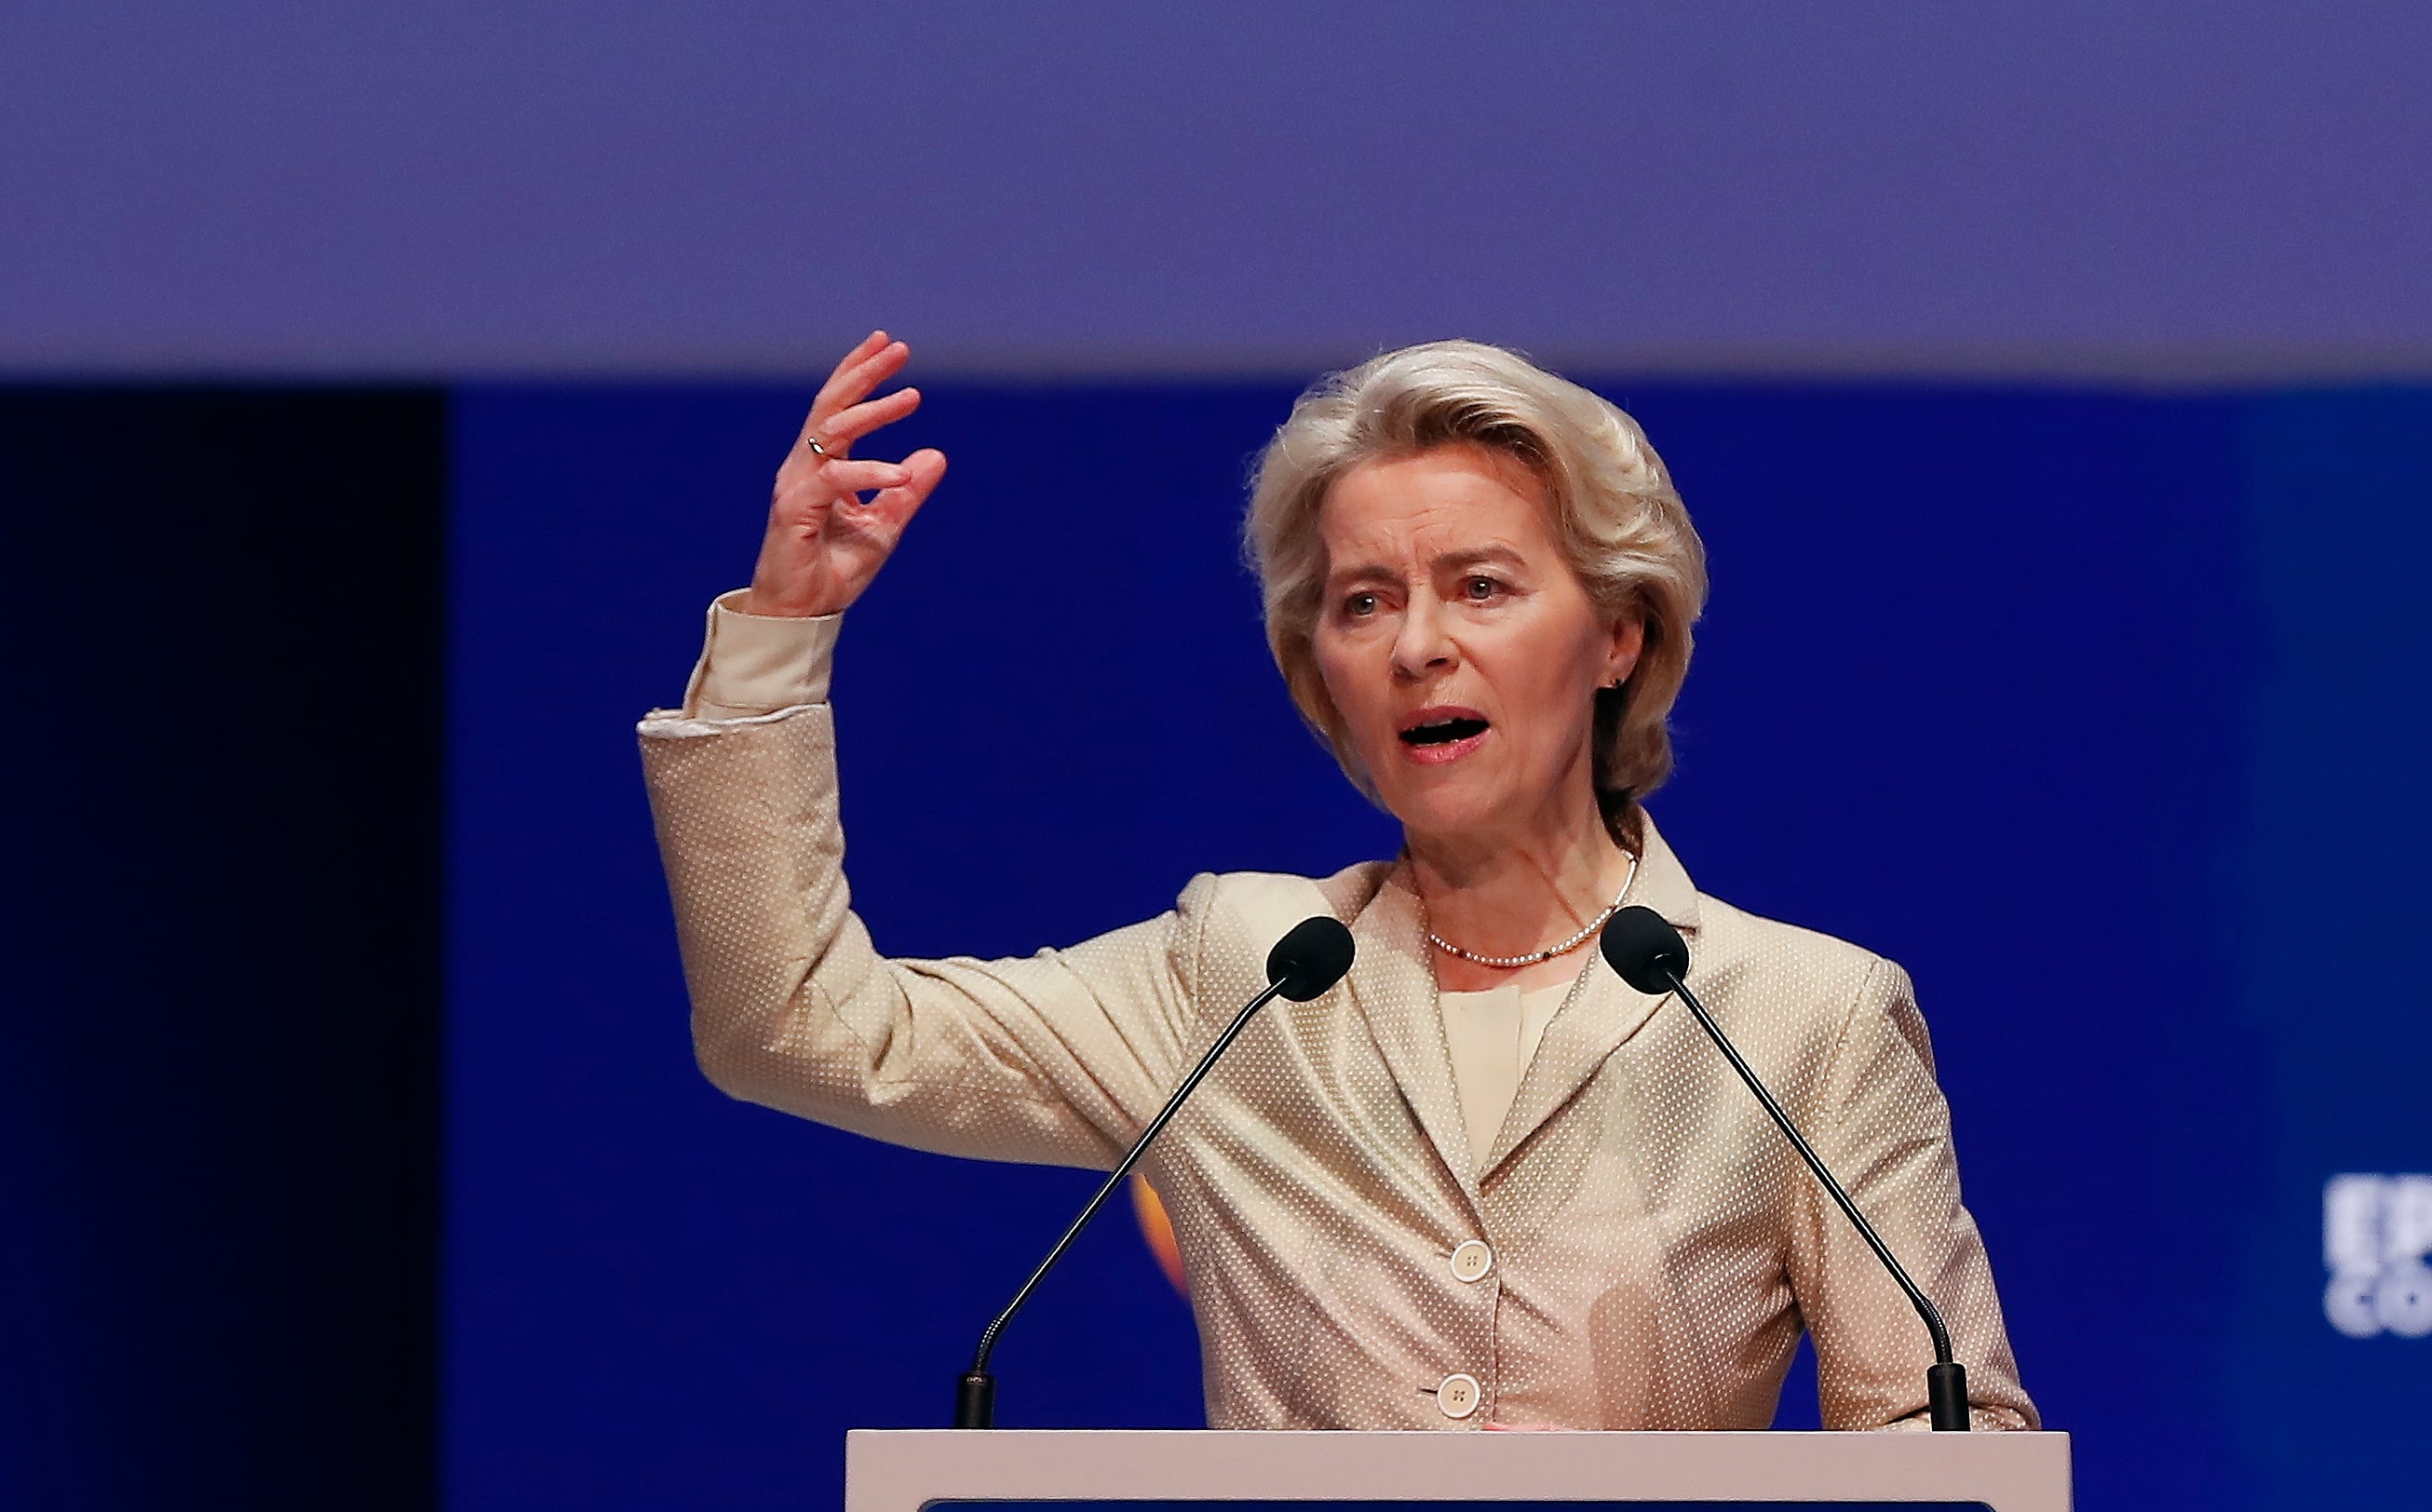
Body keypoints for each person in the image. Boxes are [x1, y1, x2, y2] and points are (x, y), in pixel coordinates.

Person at [639, 331, 2034, 1431]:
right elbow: (794, 1025)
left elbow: (1947, 1443)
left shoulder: (1800, 1012)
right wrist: (781, 637)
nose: (1416, 645)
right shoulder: (1240, 969)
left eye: (1481, 586)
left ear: (1615, 633)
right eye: (1364, 602)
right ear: (1323, 677)